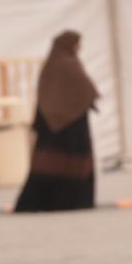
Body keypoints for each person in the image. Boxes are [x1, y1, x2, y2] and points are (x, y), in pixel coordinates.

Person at [13, 30, 99, 212]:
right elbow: (84, 91)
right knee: (69, 163)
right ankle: (73, 202)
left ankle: (46, 203)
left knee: (50, 164)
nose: (80, 47)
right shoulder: (68, 64)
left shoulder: (53, 64)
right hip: (71, 127)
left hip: (53, 126)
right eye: (77, 43)